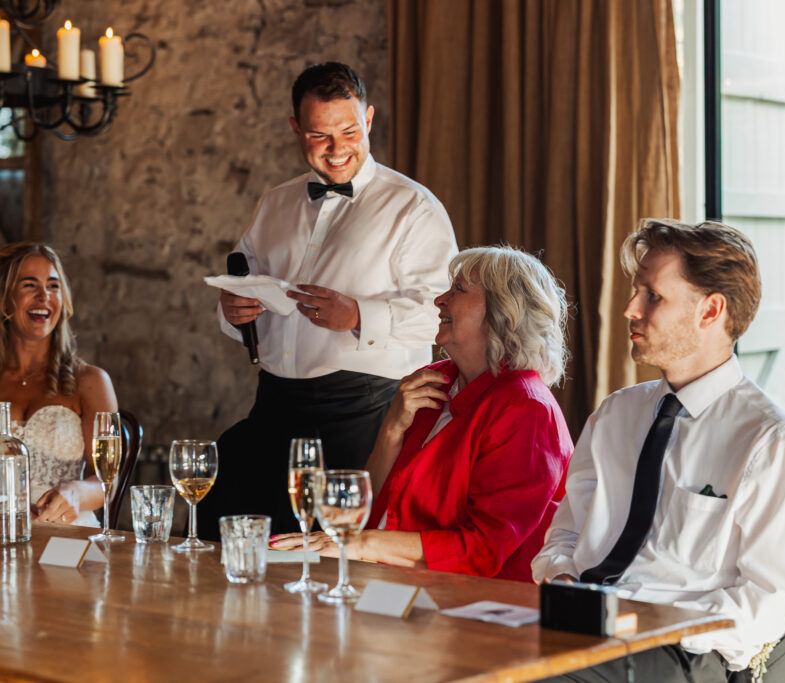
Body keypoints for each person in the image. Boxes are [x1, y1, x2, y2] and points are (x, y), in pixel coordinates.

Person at [532, 219, 785, 681]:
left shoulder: (771, 441)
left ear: (710, 311)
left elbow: (764, 606)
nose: (629, 309)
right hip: (581, 629)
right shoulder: (615, 415)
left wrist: (643, 620)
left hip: (683, 652)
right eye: (635, 291)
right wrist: (565, 581)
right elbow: (564, 537)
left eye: (652, 296)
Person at [202, 61, 458, 539]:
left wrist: (360, 315)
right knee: (228, 523)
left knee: (333, 561)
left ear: (369, 119)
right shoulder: (274, 204)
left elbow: (441, 315)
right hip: (275, 407)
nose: (337, 149)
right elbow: (242, 282)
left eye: (349, 130)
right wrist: (233, 312)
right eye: (320, 135)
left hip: (367, 413)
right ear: (296, 129)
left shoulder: (414, 208)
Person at [271, 246, 573, 582]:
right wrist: (390, 432)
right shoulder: (434, 381)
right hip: (392, 586)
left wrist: (359, 544)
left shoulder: (527, 408)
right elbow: (371, 511)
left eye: (458, 290)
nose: (439, 300)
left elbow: (482, 550)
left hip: (477, 608)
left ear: (504, 312)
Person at [0, 242, 117, 527]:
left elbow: (108, 478)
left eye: (53, 286)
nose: (44, 296)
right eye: (29, 285)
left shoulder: (92, 382)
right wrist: (6, 504)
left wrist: (77, 492)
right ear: (5, 301)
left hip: (63, 525)